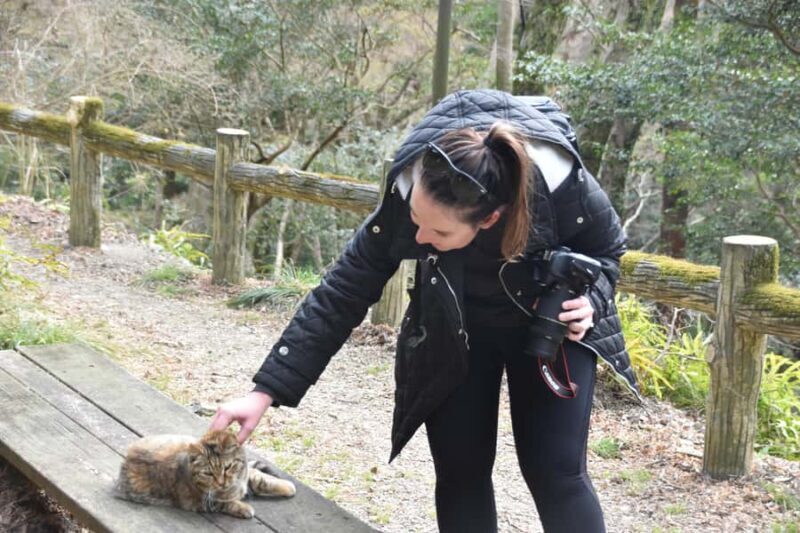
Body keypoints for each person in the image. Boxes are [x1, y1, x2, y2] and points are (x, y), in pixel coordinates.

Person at [210, 89, 640, 533]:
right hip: (456, 327)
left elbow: (608, 251)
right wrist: (264, 391)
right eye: (416, 219)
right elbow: (343, 290)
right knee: (460, 472)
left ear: (490, 218)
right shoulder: (415, 188)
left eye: (436, 230)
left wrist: (591, 300)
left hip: (550, 327)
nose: (418, 237)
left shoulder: (559, 182)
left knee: (557, 476)